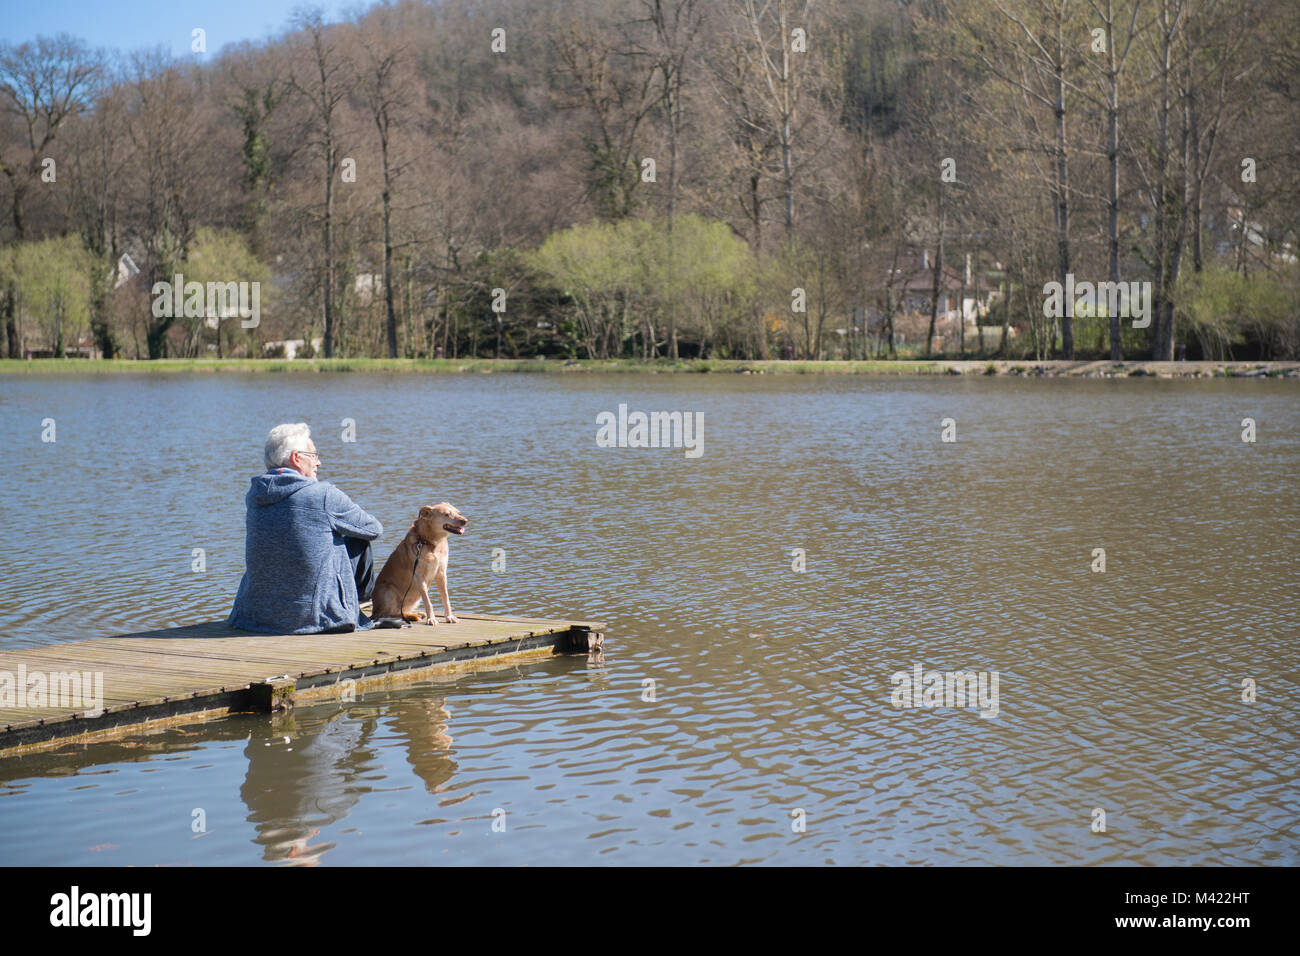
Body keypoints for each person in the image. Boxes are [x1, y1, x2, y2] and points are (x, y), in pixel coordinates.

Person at [228, 423, 383, 634]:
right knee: (358, 540)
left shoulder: (254, 495)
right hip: (311, 617)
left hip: (253, 616)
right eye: (313, 455)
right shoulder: (323, 494)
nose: (319, 462)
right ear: (296, 458)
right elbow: (374, 529)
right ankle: (351, 607)